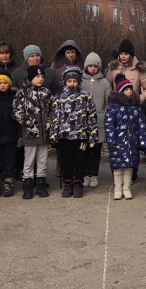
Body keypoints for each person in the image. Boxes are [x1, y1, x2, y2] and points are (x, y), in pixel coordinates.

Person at [50, 66, 98, 198]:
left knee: (80, 160)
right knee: (66, 161)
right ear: (65, 82)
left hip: (81, 136)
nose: (72, 84)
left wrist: (93, 135)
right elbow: (55, 117)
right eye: (69, 81)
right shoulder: (58, 97)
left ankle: (78, 183)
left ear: (79, 82)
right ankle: (67, 183)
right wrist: (53, 135)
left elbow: (91, 116)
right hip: (64, 136)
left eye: (75, 81)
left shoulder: (85, 97)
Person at [13, 65, 53, 199]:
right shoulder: (22, 93)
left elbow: (53, 109)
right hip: (30, 131)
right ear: (30, 78)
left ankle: (41, 182)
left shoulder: (47, 92)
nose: (40, 79)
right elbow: (17, 111)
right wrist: (29, 123)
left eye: (42, 76)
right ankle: (28, 183)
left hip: (44, 131)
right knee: (29, 159)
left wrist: (49, 122)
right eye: (37, 76)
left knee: (43, 158)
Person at [105, 76, 146, 200]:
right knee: (118, 166)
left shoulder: (136, 107)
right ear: (120, 92)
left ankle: (127, 188)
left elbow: (141, 124)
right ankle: (118, 188)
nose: (129, 91)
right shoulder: (113, 107)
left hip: (132, 142)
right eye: (126, 89)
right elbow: (109, 124)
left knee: (129, 166)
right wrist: (111, 140)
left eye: (130, 89)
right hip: (118, 142)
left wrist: (142, 141)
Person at [82, 52, 112, 188]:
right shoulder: (81, 81)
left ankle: (94, 174)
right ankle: (85, 174)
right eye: (90, 66)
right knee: (84, 150)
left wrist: (103, 115)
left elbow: (108, 102)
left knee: (96, 151)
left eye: (95, 66)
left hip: (99, 122)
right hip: (84, 122)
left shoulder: (105, 83)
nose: (93, 68)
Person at [0, 74, 20, 197]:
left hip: (11, 133)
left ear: (9, 84)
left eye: (5, 83)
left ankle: (8, 183)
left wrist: (18, 134)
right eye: (0, 83)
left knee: (10, 160)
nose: (3, 85)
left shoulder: (14, 97)